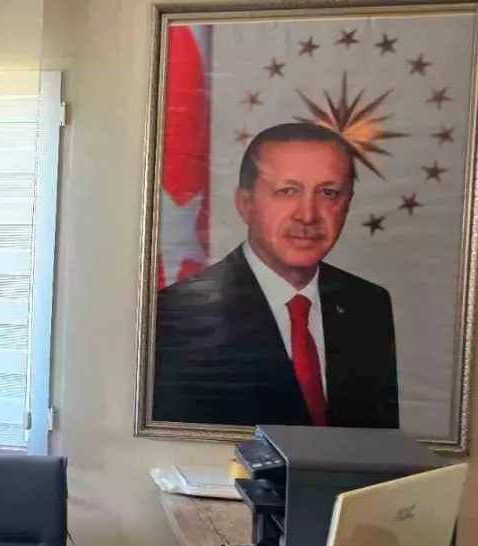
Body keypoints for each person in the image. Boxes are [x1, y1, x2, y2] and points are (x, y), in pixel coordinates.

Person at [153, 122, 399, 429]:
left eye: (328, 193)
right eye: (288, 191)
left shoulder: (368, 304)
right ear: (245, 204)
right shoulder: (178, 313)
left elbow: (379, 445)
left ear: (346, 205)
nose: (307, 215)